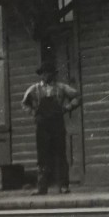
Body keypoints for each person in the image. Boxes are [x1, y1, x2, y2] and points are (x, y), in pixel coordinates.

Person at [21, 62, 79, 195]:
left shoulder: (61, 88)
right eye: (44, 73)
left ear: (53, 74)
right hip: (42, 126)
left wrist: (67, 108)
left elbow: (77, 96)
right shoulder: (34, 89)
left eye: (49, 73)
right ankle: (42, 187)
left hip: (57, 124)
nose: (46, 75)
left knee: (60, 154)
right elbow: (24, 103)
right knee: (42, 156)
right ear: (41, 75)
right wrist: (33, 113)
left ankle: (63, 186)